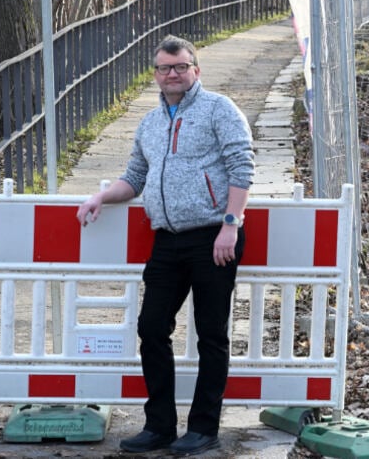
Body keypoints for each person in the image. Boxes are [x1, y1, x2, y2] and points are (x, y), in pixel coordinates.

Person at [76, 35, 254, 456]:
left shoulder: (219, 110)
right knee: (151, 328)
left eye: (180, 66)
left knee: (212, 334)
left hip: (214, 237)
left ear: (196, 69)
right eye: (163, 68)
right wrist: (100, 196)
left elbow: (242, 165)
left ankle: (204, 428)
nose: (171, 74)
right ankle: (159, 426)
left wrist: (231, 224)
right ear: (155, 74)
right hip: (167, 242)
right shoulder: (150, 122)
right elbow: (134, 176)